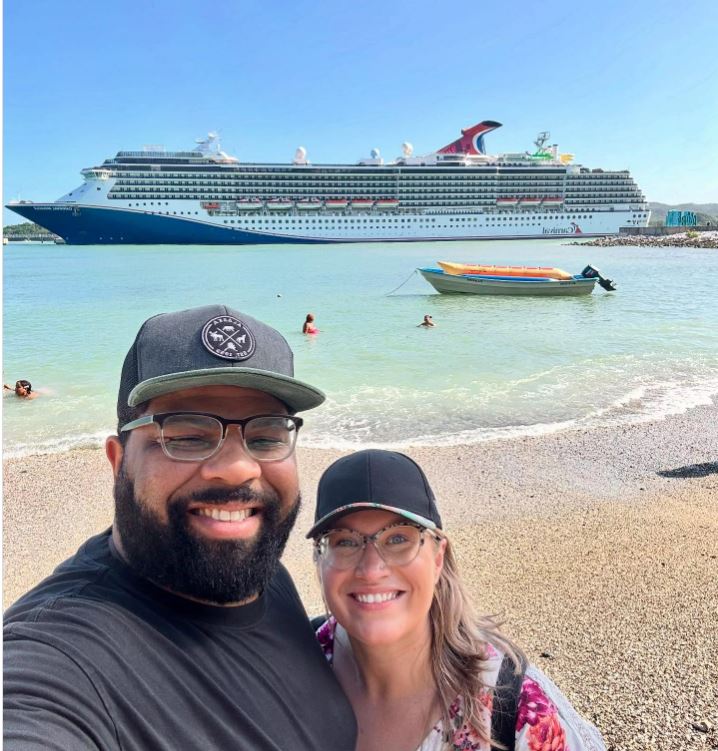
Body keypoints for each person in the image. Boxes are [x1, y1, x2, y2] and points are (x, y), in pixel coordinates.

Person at [4, 304, 356, 751]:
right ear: (118, 462)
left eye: (266, 435)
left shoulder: (257, 573)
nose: (237, 469)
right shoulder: (59, 659)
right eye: (186, 435)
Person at [308, 449, 606, 751]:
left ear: (438, 558)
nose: (371, 569)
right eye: (344, 541)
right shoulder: (292, 663)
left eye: (398, 539)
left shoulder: (516, 711)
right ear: (319, 562)